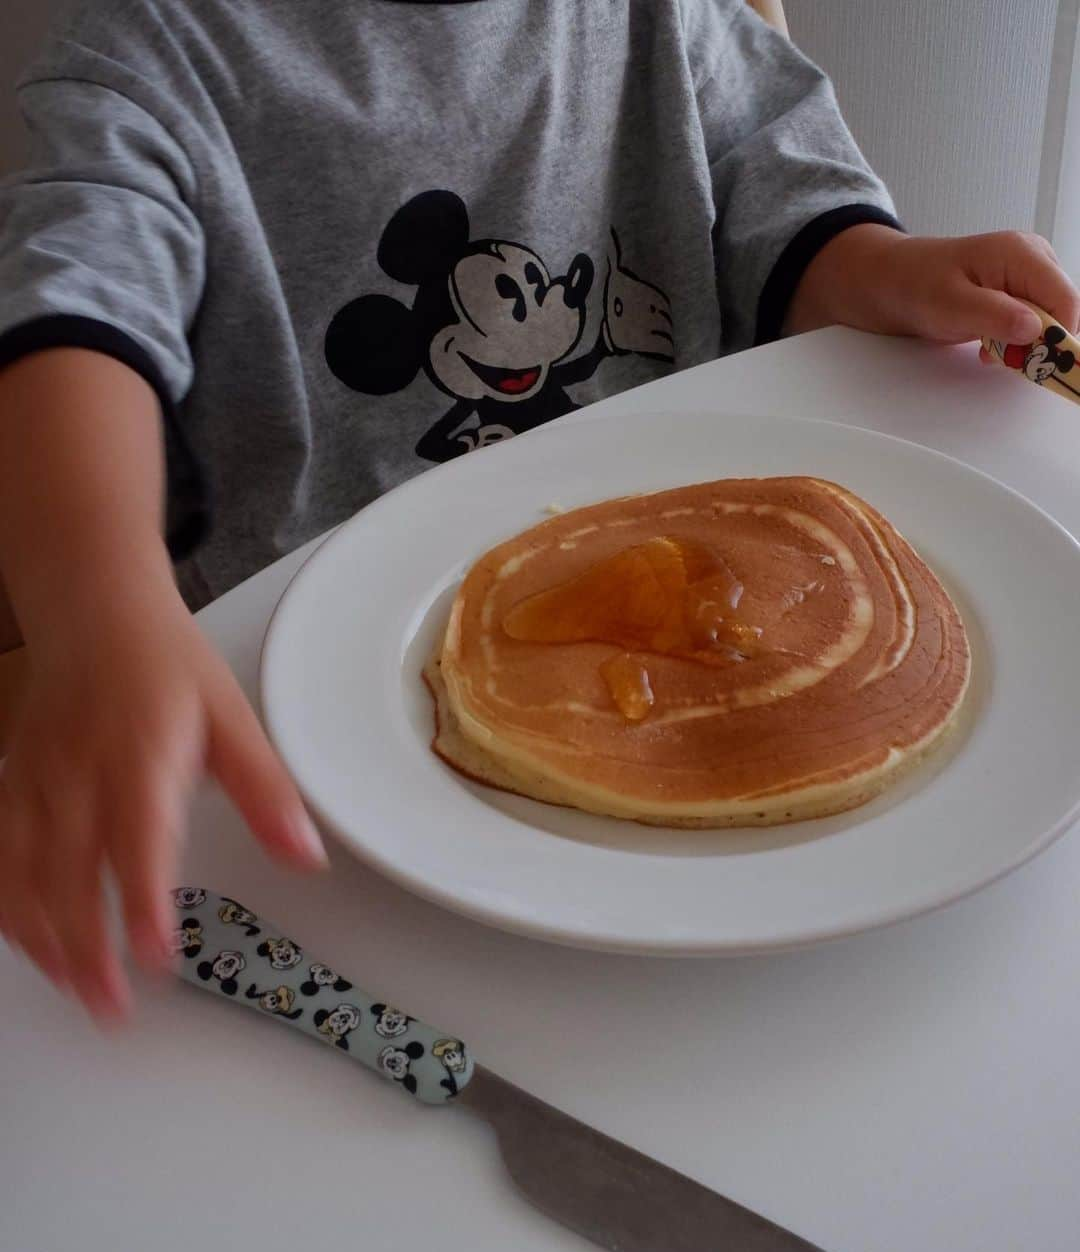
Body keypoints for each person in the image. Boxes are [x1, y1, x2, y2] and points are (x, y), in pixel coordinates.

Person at [0, 0, 1076, 1021]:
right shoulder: (153, 57)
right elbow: (73, 308)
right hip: (305, 754)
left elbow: (778, 204)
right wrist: (95, 597)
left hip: (707, 703)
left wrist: (884, 271)